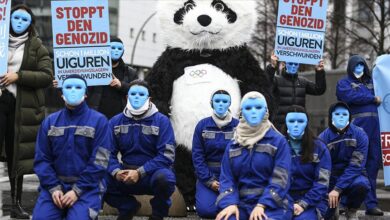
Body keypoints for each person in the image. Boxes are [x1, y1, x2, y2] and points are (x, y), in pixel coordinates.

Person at [32, 74, 112, 219]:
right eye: (68, 87)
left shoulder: (100, 121)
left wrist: (77, 190)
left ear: (86, 93)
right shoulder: (50, 122)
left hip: (88, 188)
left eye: (78, 87)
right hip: (54, 187)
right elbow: (41, 159)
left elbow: (100, 161)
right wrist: (53, 188)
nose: (73, 91)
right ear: (62, 94)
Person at [0, 4, 52, 219]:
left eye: (24, 19)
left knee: (16, 157)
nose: (19, 22)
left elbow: (46, 76)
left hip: (20, 107)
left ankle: (16, 204)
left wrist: (18, 76)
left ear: (31, 24)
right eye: (16, 18)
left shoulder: (37, 46)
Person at [104, 80, 176, 220]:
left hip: (152, 174)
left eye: (141, 94)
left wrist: (140, 172)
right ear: (127, 97)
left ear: (149, 99)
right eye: (133, 94)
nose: (137, 97)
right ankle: (127, 207)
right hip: (124, 174)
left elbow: (167, 156)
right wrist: (115, 172)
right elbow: (105, 154)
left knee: (165, 178)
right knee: (97, 178)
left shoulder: (162, 121)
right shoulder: (115, 121)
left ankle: (158, 214)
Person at [216, 92, 292, 220]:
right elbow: (226, 178)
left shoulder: (278, 142)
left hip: (273, 206)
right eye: (248, 108)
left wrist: (262, 204)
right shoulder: (233, 144)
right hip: (241, 204)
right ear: (241, 112)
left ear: (266, 111)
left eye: (258, 107)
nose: (253, 112)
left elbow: (281, 178)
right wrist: (230, 203)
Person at [336, 55, 383, 216]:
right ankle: (343, 202)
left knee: (372, 165)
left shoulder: (373, 82)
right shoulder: (344, 83)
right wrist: (371, 98)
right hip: (356, 129)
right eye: (356, 66)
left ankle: (371, 204)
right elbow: (348, 97)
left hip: (376, 129)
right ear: (350, 67)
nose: (359, 68)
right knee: (352, 164)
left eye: (362, 65)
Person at [52, 36, 138, 119]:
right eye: (112, 48)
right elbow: (79, 87)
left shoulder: (130, 72)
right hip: (96, 116)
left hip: (121, 118)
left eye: (119, 48)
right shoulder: (92, 69)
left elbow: (139, 90)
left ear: (123, 51)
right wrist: (61, 84)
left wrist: (121, 85)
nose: (116, 51)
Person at [318, 102, 370, 220]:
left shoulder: (360, 134)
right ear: (331, 116)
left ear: (349, 116)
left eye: (344, 114)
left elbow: (356, 165)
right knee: (325, 215)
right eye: (337, 114)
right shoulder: (322, 138)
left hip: (353, 174)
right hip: (330, 176)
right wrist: (330, 190)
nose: (341, 116)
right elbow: (322, 168)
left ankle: (351, 209)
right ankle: (333, 205)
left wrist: (337, 189)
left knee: (362, 185)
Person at [192, 90, 239, 218]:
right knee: (206, 211)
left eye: (224, 101)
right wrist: (209, 181)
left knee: (236, 209)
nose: (220, 104)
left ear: (229, 103)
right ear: (211, 103)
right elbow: (197, 156)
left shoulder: (238, 126)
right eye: (217, 101)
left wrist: (232, 179)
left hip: (231, 174)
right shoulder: (202, 125)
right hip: (209, 173)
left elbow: (242, 156)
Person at [281, 105, 331, 220]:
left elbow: (322, 183)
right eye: (292, 121)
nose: (296, 124)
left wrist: (303, 204)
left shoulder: (320, 148)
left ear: (307, 123)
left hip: (313, 201)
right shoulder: (278, 146)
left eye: (300, 121)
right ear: (286, 122)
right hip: (284, 200)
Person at [267, 53, 326, 130]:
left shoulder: (303, 82)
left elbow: (319, 89)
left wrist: (319, 72)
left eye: (296, 64)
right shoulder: (276, 81)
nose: (293, 66)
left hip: (299, 125)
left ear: (298, 65)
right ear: (284, 64)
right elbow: (267, 84)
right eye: (290, 63)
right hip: (280, 126)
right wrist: (272, 67)